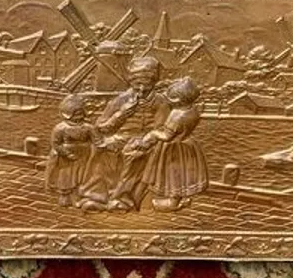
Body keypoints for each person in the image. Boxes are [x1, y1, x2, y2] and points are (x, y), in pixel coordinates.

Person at [78, 54, 167, 211]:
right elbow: (101, 127)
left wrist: (145, 141)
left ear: (154, 82)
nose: (141, 89)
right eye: (137, 84)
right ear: (131, 81)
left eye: (146, 84)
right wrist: (121, 114)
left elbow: (161, 129)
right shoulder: (121, 100)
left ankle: (122, 200)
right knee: (101, 150)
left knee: (132, 155)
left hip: (146, 141)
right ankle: (96, 196)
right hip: (121, 137)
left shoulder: (160, 102)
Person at [134, 76, 209, 210]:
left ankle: (171, 203)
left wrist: (152, 134)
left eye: (171, 97)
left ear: (179, 99)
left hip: (173, 148)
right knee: (182, 174)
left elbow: (166, 136)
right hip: (188, 145)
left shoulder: (176, 114)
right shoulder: (194, 111)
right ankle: (180, 199)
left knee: (172, 174)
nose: (168, 99)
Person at [45, 94, 97, 207]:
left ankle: (77, 195)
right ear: (67, 114)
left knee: (81, 175)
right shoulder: (60, 128)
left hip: (84, 155)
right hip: (67, 157)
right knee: (66, 176)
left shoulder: (88, 127)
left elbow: (97, 140)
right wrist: (67, 153)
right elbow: (56, 144)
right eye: (75, 114)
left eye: (80, 113)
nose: (79, 116)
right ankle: (64, 195)